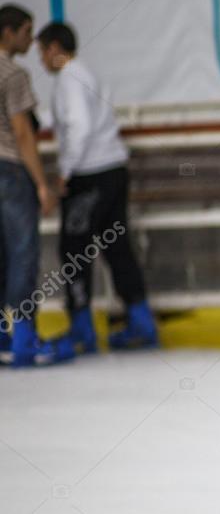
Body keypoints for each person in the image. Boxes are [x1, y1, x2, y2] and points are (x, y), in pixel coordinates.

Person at [36, 21, 158, 352]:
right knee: (116, 247)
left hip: (89, 176)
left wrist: (65, 171)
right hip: (112, 169)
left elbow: (80, 125)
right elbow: (71, 118)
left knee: (74, 249)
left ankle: (81, 329)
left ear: (54, 49)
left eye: (41, 52)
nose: (41, 60)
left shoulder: (67, 79)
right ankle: (141, 322)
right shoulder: (83, 74)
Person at [0, 3, 72, 368]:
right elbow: (23, 132)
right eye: (27, 32)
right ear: (9, 32)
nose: (31, 40)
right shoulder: (12, 73)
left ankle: (2, 337)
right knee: (22, 254)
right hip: (11, 170)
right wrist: (42, 184)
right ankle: (25, 338)